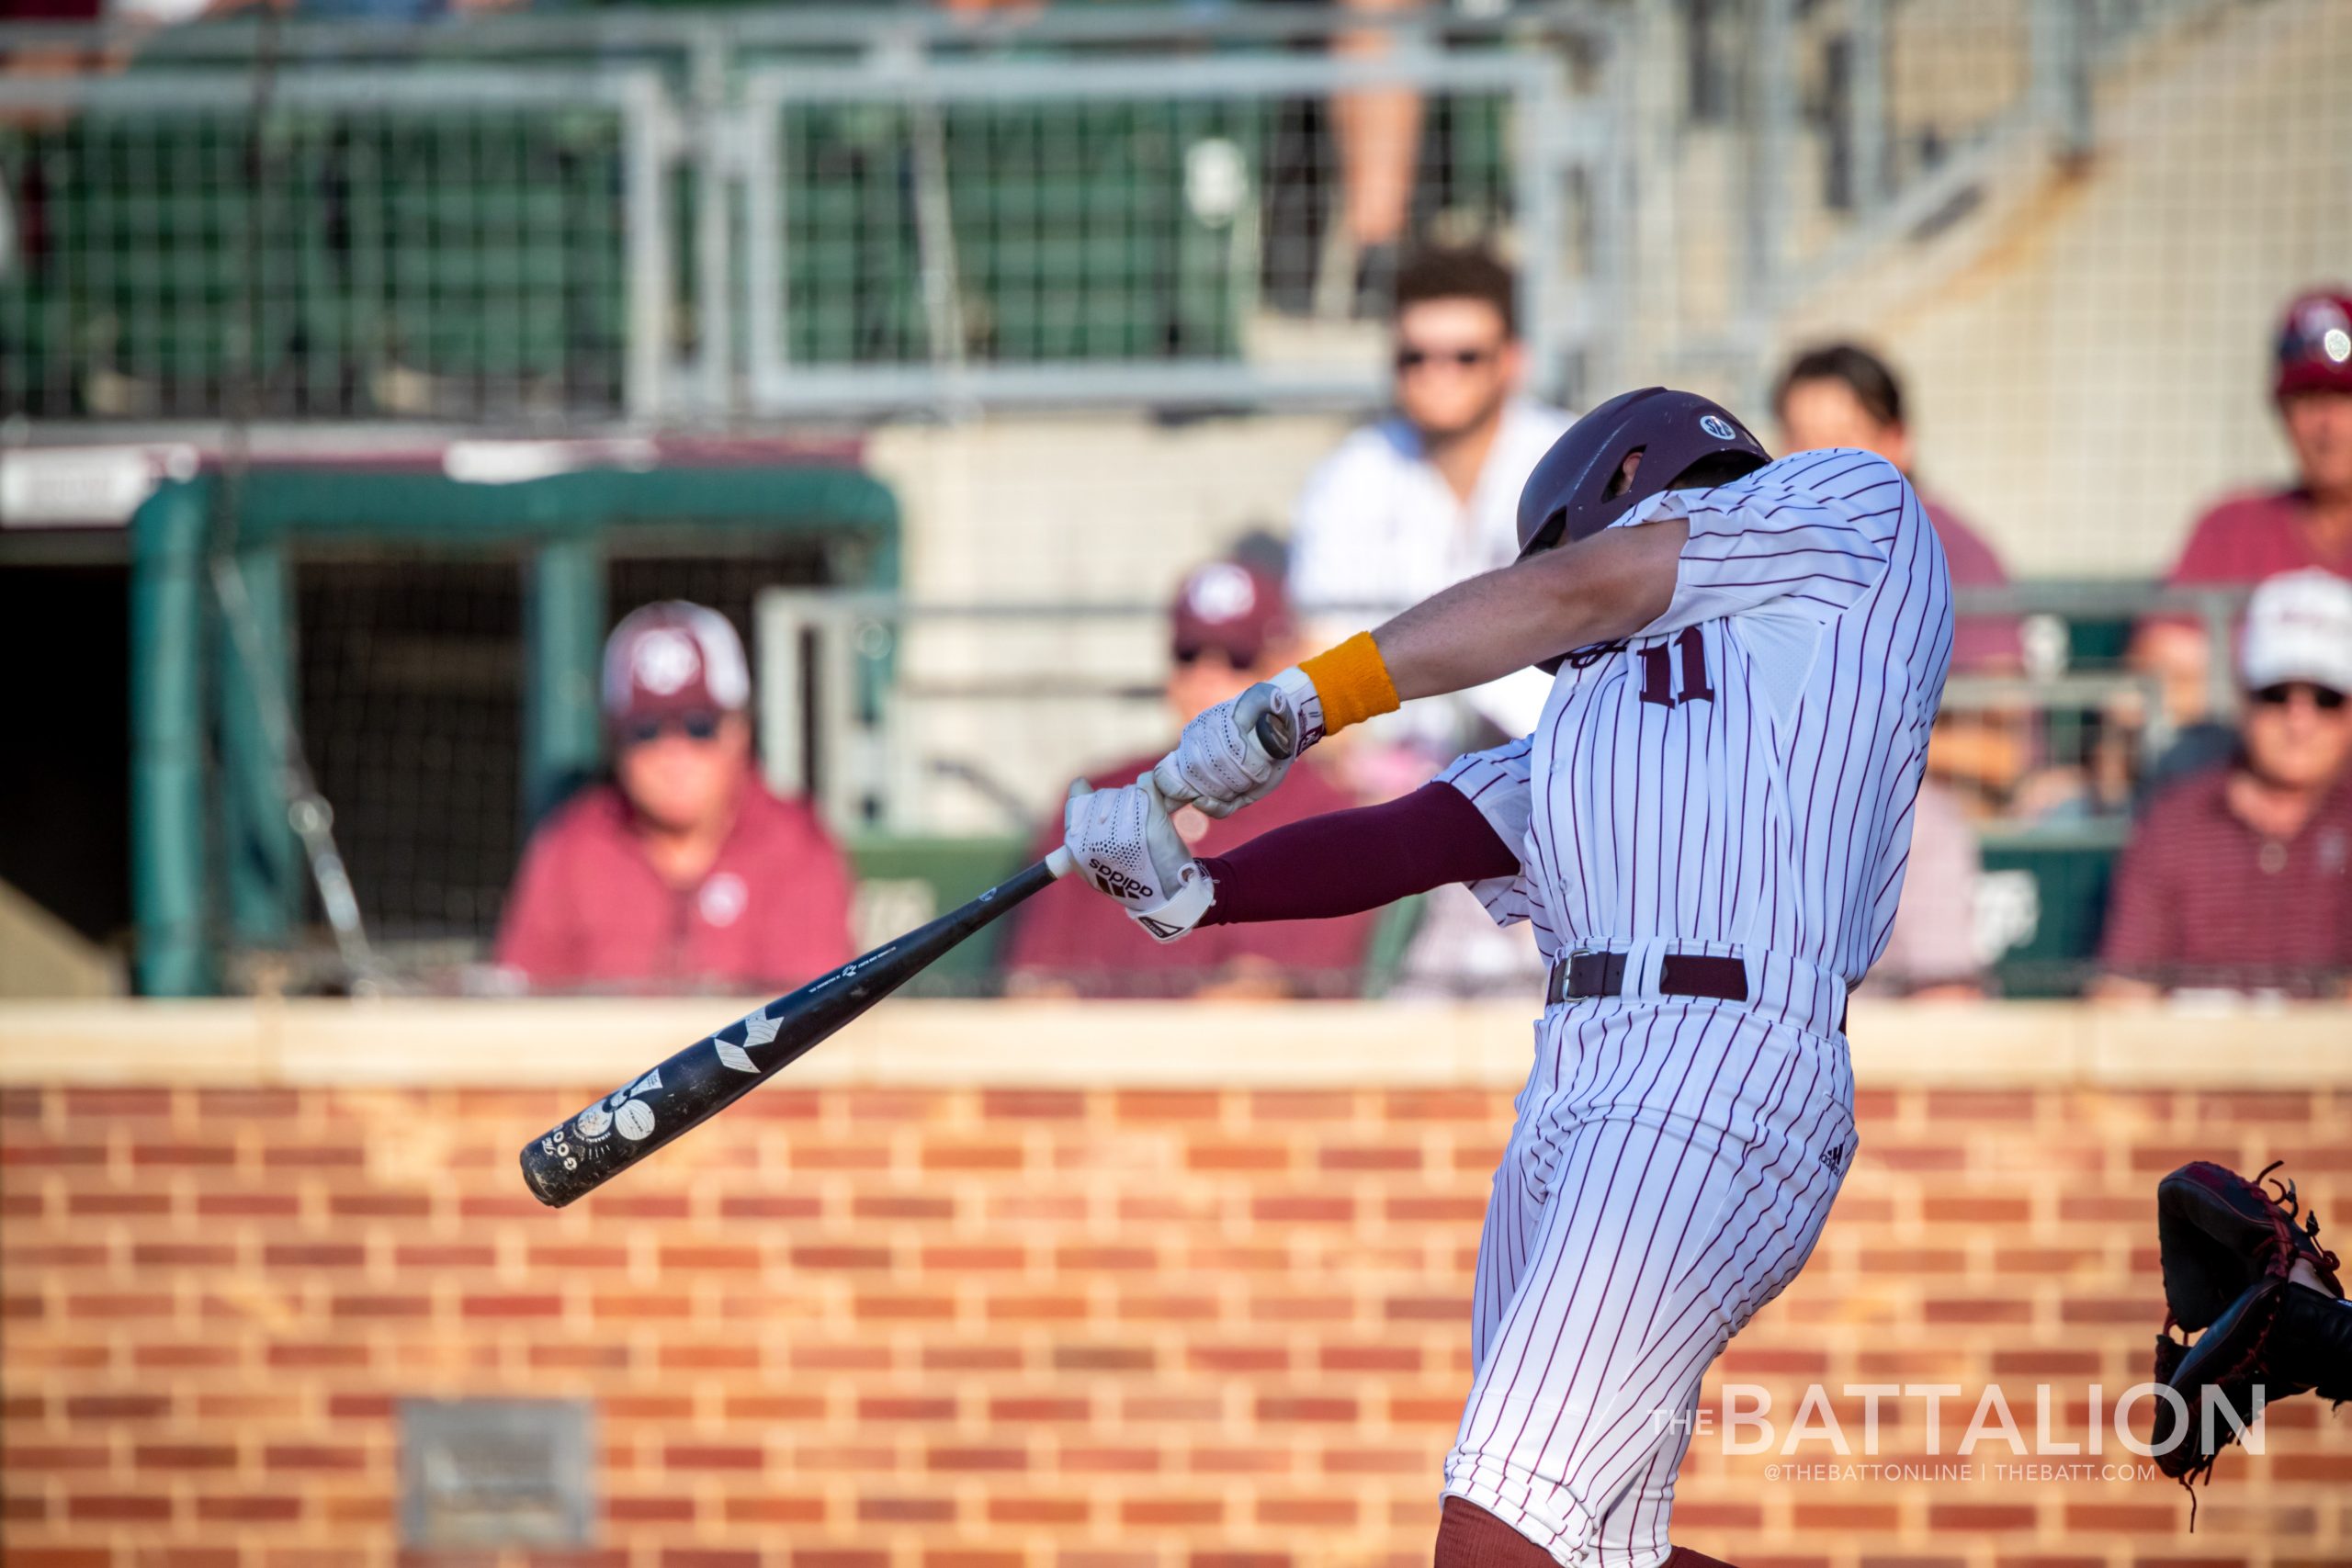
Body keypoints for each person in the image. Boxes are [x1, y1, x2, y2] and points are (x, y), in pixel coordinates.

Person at [1061, 388, 1952, 1566]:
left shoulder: (1842, 511)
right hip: (1578, 1083)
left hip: (1717, 1058)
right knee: (1587, 1553)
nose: (1555, 593)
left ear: (1631, 473)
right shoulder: (1597, 717)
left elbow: (1585, 588)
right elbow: (1415, 836)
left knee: (1492, 1528)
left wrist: (1300, 701)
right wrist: (1193, 885)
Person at [1001, 560, 1377, 998]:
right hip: (1089, 1061)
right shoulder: (1100, 798)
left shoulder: (1325, 813)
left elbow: (1256, 997)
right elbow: (1036, 987)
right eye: (1189, 654)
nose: (1206, 677)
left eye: (1238, 658)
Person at [1287, 244, 1571, 749]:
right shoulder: (1349, 476)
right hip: (1395, 779)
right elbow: (1317, 658)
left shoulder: (1574, 459)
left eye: (1465, 357)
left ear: (1512, 361)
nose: (1437, 374)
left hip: (1556, 759)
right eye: (1414, 357)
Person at [495, 602, 854, 993]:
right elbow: (520, 1013)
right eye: (646, 731)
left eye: (699, 727)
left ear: (740, 730)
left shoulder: (795, 845)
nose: (674, 755)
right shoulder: (573, 846)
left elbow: (814, 1022)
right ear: (614, 739)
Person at [2095, 570, 2352, 999]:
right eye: (2277, 694)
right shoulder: (2175, 822)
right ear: (2243, 695)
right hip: (2187, 1064)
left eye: (2326, 698)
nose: (2299, 721)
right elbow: (2122, 994)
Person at [2134, 288, 2352, 726]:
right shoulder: (2231, 527)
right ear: (2283, 413)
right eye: (2308, 399)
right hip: (2236, 783)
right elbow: (2152, 675)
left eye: (2344, 397)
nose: (2327, 424)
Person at [1773, 343, 2018, 671]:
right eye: (1801, 440)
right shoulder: (1768, 547)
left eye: (1841, 441)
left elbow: (1998, 719)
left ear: (1897, 441)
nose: (1818, 461)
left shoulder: (1953, 554)